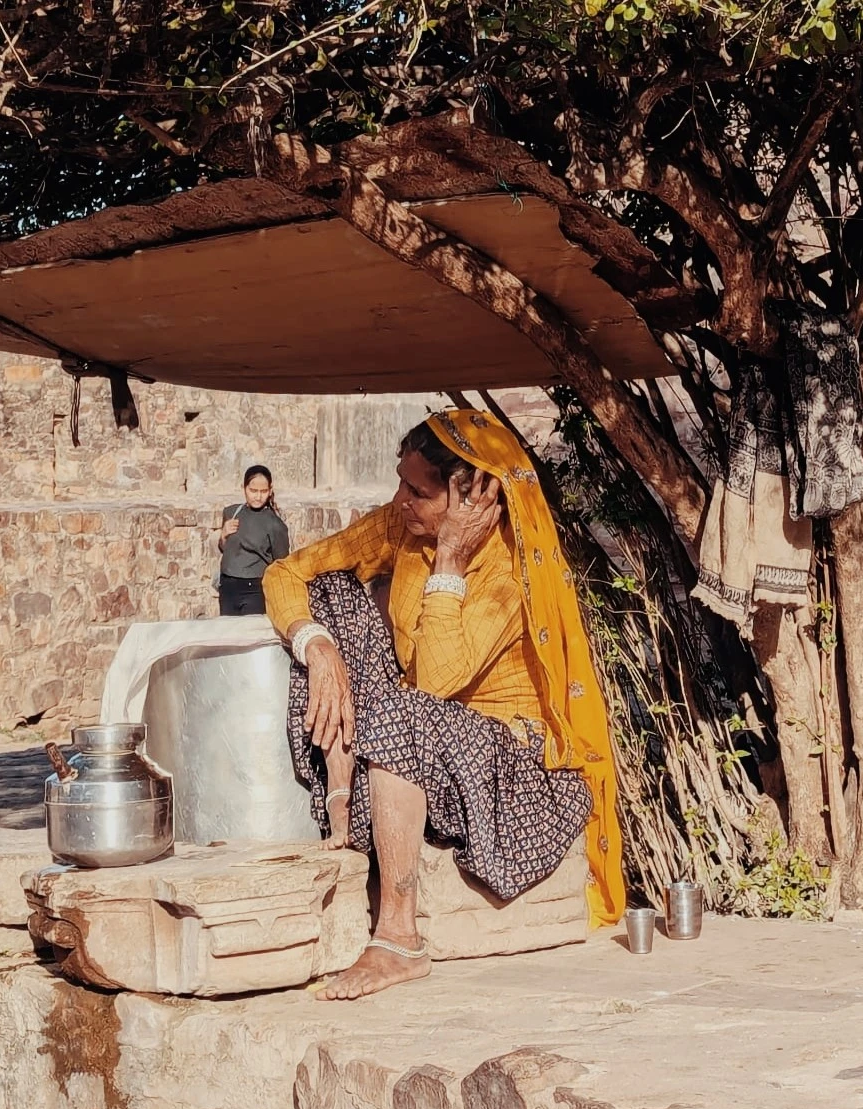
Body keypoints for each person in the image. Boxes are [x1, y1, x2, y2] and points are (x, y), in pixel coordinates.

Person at [262, 409, 623, 1000]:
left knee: (404, 711)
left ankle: (399, 937)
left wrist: (451, 562)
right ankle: (342, 795)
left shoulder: (510, 571)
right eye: (401, 484)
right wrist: (315, 644)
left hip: (510, 766)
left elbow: (433, 684)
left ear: (468, 499)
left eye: (418, 492)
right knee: (330, 596)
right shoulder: (401, 528)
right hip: (427, 737)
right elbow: (287, 570)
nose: (400, 502)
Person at [217, 465, 289, 616]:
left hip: (255, 589)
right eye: (253, 491)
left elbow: (281, 562)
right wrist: (223, 535)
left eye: (263, 491)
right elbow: (225, 549)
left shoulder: (275, 524)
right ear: (243, 488)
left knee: (249, 635)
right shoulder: (231, 513)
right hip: (228, 585)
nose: (258, 496)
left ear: (270, 490)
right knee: (228, 635)